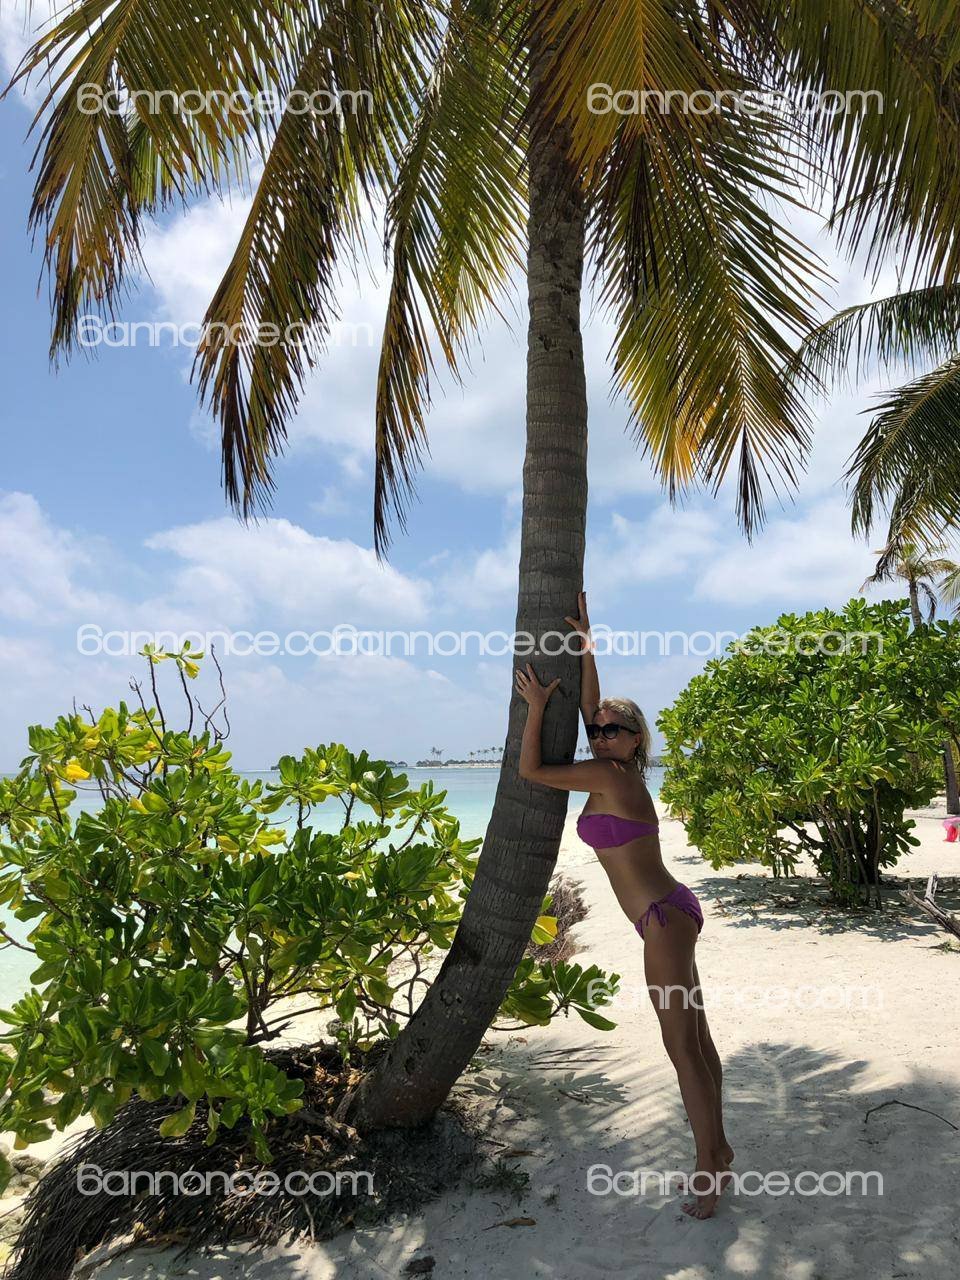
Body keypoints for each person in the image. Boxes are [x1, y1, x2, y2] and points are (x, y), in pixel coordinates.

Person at [514, 590, 732, 1219]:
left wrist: (536, 708)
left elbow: (531, 771)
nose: (601, 734)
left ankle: (708, 1168)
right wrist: (587, 644)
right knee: (698, 1038)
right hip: (670, 911)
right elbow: (591, 703)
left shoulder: (609, 775)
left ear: (637, 740)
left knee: (682, 1047)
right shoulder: (618, 770)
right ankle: (718, 1148)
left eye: (614, 730)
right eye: (598, 730)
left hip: (663, 919)